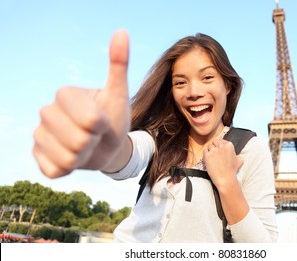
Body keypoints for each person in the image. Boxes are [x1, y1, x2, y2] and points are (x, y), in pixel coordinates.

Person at [33, 30, 278, 243]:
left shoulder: (250, 150)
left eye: (207, 77)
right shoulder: (161, 136)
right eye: (180, 82)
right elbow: (128, 155)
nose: (193, 92)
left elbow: (265, 250)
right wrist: (108, 148)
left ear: (228, 85)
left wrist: (228, 184)